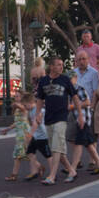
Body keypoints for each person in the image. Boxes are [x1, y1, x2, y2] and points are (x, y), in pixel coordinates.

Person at [34, 57, 76, 185]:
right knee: (56, 149)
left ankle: (52, 176)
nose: (61, 67)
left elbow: (75, 97)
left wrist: (79, 115)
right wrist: (38, 114)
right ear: (51, 67)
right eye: (58, 65)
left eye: (62, 64)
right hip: (49, 118)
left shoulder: (65, 79)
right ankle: (71, 171)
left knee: (57, 146)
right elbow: (40, 99)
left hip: (62, 117)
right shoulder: (43, 81)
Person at [67, 51, 99, 176]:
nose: (82, 61)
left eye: (84, 59)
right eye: (79, 59)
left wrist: (92, 107)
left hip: (85, 114)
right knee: (86, 141)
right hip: (76, 115)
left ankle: (73, 167)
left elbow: (93, 93)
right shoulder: (74, 74)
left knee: (82, 142)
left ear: (88, 59)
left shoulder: (92, 74)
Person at [0, 92, 32, 181]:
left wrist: (16, 104)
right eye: (15, 96)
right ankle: (39, 167)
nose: (15, 98)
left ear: (22, 97)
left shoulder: (24, 106)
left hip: (24, 131)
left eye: (17, 96)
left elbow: (23, 109)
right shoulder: (17, 108)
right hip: (20, 132)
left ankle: (14, 175)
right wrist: (7, 129)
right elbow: (17, 122)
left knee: (18, 153)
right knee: (24, 153)